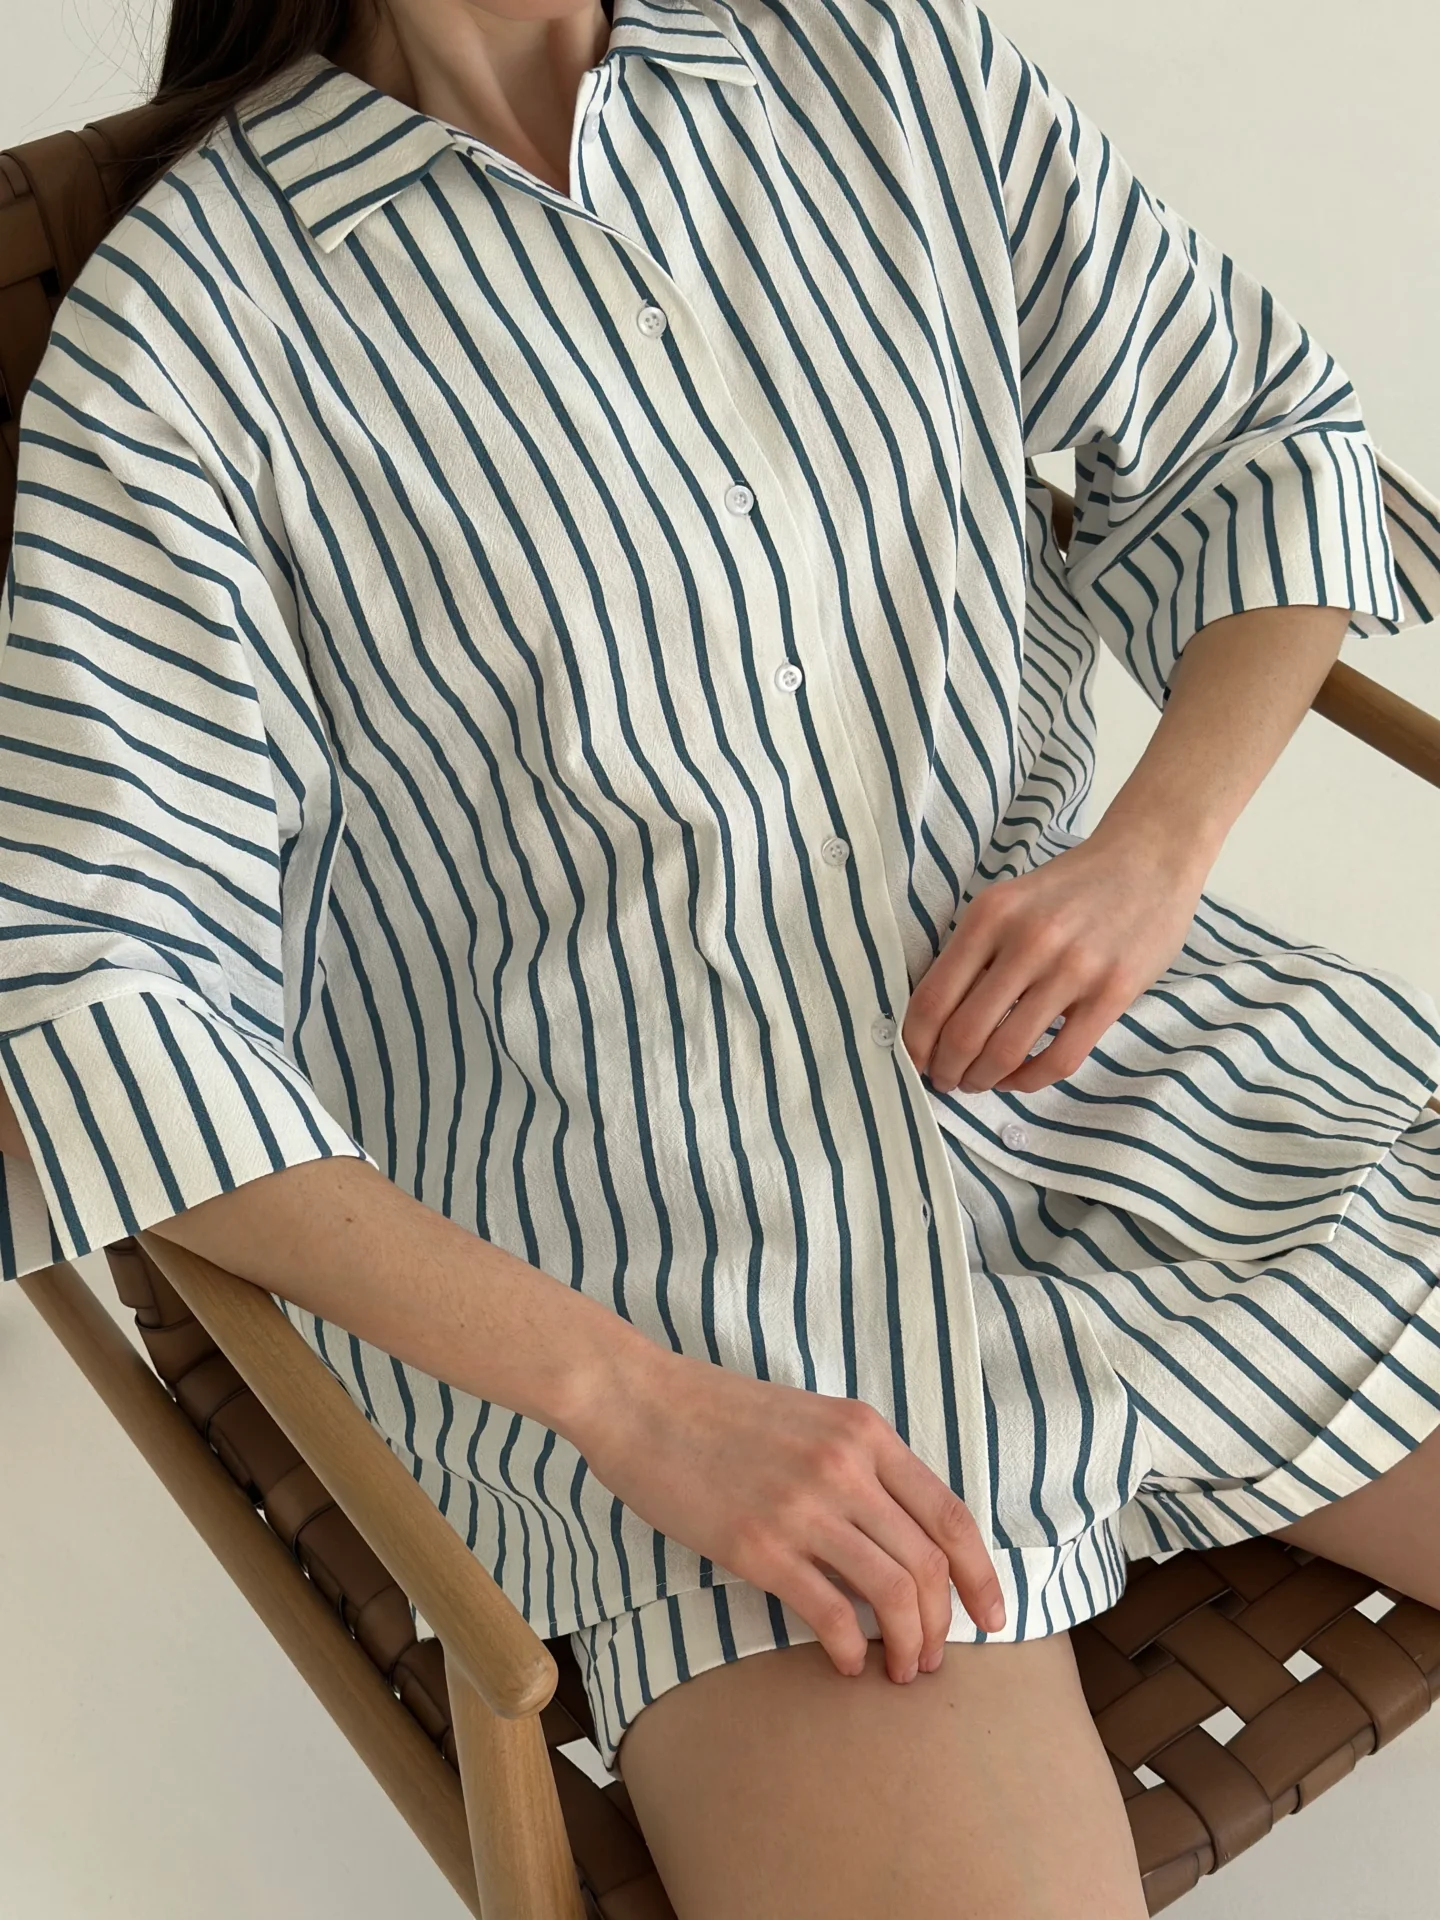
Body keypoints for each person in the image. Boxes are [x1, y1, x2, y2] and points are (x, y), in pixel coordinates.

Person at [2, 0, 1439, 1910]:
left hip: (1140, 1083)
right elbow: (95, 998)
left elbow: (1260, 435)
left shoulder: (881, 63)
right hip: (667, 1291)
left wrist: (1151, 851)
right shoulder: (186, 328)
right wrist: (629, 1403)